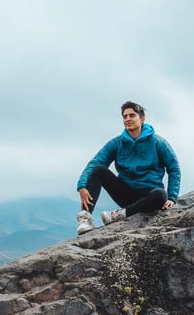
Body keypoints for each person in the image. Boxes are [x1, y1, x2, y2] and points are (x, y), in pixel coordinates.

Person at [76, 101, 181, 235]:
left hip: (148, 195)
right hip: (125, 192)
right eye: (125, 116)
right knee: (98, 170)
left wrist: (172, 198)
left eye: (132, 115)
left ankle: (120, 214)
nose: (128, 119)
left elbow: (174, 168)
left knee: (161, 195)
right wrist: (82, 185)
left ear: (141, 119)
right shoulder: (116, 143)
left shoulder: (158, 142)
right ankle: (85, 218)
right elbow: (95, 162)